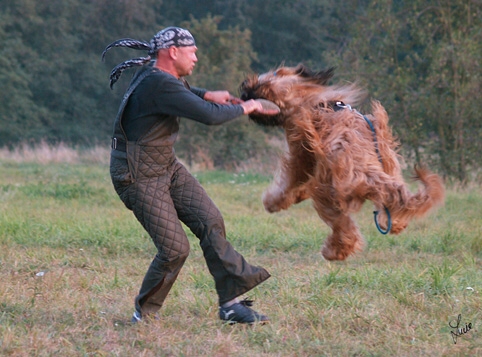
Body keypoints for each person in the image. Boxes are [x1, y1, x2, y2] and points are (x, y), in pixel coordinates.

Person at [102, 27, 273, 325]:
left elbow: (181, 92)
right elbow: (209, 116)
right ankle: (142, 315)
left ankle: (230, 305)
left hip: (164, 165)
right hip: (137, 173)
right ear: (173, 52)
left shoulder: (155, 76)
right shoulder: (157, 82)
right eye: (191, 51)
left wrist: (207, 93)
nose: (196, 56)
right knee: (174, 249)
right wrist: (248, 107)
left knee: (210, 220)